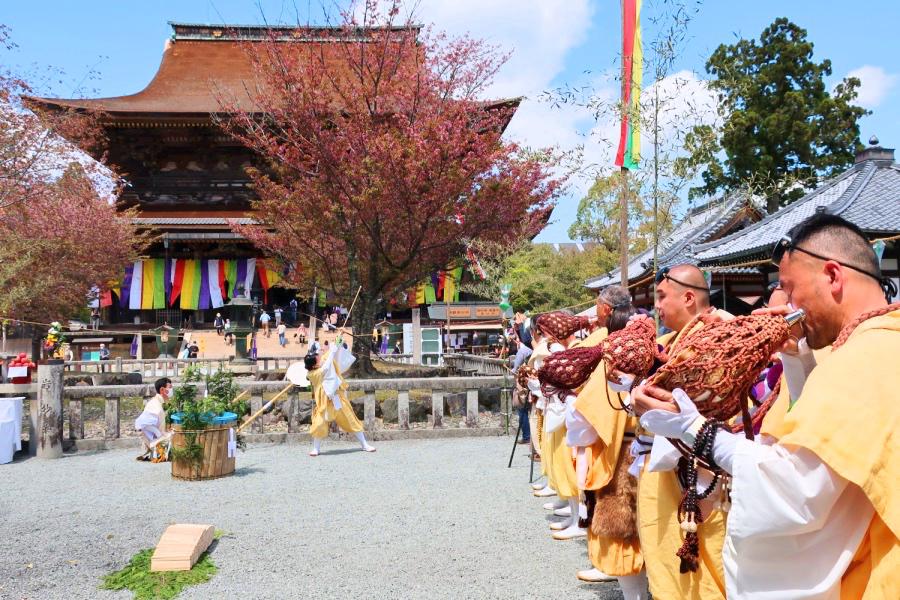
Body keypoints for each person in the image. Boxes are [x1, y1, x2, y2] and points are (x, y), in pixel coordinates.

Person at [635, 214, 899, 599]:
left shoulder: (861, 359)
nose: (789, 305)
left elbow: (795, 490)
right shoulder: (883, 342)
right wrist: (795, 360)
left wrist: (693, 429)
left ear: (832, 276)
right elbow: (833, 452)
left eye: (791, 290)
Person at [632, 263, 730, 600]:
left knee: (708, 567)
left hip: (700, 478)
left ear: (688, 297)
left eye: (661, 296)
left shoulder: (717, 338)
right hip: (667, 470)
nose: (656, 306)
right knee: (669, 571)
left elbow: (717, 410)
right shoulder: (670, 342)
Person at [566, 286, 648, 597]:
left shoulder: (612, 352)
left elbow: (586, 414)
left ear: (605, 311)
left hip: (622, 452)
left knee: (624, 532)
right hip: (649, 446)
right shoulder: (652, 347)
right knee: (649, 531)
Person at [306, 328, 375, 456]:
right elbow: (326, 367)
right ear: (314, 365)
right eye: (317, 358)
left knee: (351, 420)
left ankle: (364, 444)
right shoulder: (313, 374)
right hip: (324, 403)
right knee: (319, 424)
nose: (320, 356)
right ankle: (316, 448)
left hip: (337, 398)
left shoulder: (325, 360)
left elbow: (335, 348)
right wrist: (331, 353)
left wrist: (340, 335)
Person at [134, 377, 172, 461]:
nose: (171, 390)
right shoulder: (155, 405)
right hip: (152, 437)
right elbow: (144, 425)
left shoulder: (160, 402)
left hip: (157, 433)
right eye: (170, 387)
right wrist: (162, 434)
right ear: (162, 390)